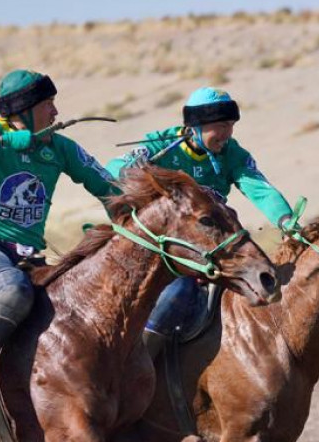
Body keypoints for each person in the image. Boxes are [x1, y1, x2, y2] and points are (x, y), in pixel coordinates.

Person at [0, 70, 118, 428]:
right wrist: (1, 140)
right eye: (48, 104)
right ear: (25, 109)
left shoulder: (60, 147)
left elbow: (108, 187)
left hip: (29, 256)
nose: (55, 111)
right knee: (12, 290)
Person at [107, 87, 296, 358]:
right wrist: (136, 171)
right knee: (179, 293)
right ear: (195, 125)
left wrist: (286, 219)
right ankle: (138, 363)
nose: (227, 134)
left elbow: (259, 188)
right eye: (220, 126)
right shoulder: (160, 145)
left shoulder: (232, 153)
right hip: (167, 251)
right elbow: (114, 169)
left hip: (215, 246)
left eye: (230, 125)